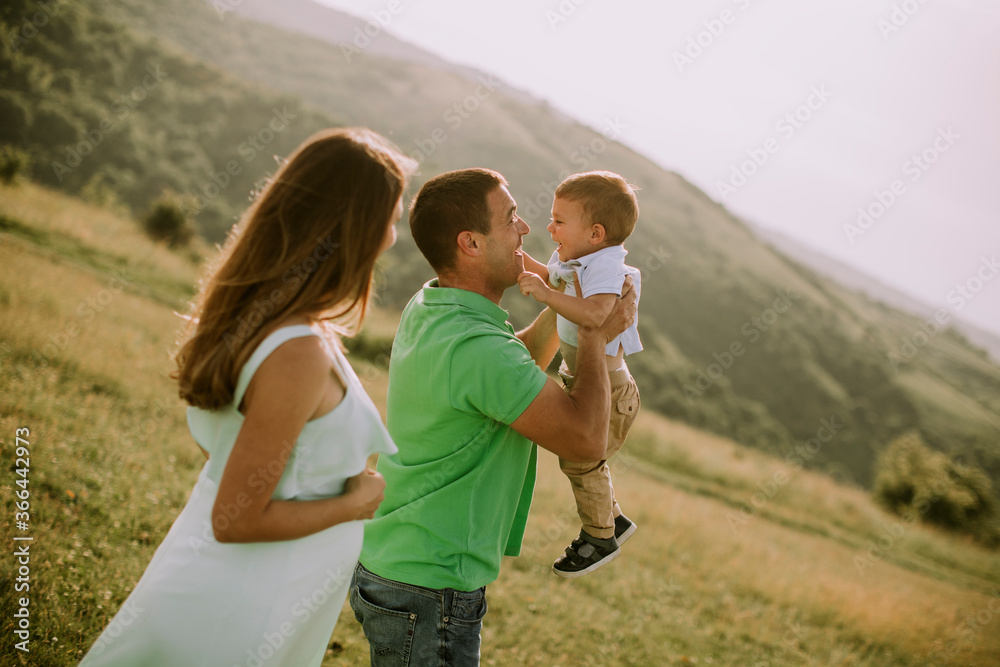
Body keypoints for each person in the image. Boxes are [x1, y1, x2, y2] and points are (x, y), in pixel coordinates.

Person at [81, 127, 415, 667]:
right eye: (392, 218)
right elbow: (234, 519)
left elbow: (247, 454)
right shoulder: (296, 350)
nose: (394, 237)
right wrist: (354, 504)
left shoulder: (281, 323)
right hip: (238, 610)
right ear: (355, 223)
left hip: (256, 595)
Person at [349, 168, 637, 665]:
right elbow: (587, 441)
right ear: (471, 244)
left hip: (402, 566)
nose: (526, 229)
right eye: (510, 219)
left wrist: (575, 303)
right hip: (429, 585)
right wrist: (594, 333)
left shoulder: (434, 304)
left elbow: (511, 366)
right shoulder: (478, 348)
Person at [517, 170, 642, 577]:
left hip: (612, 387)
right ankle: (614, 520)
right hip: (584, 377)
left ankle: (600, 535)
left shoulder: (606, 265)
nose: (549, 227)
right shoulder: (573, 258)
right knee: (582, 461)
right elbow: (547, 275)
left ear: (595, 233)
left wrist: (548, 296)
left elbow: (596, 315)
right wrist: (516, 259)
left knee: (582, 462)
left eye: (558, 221)